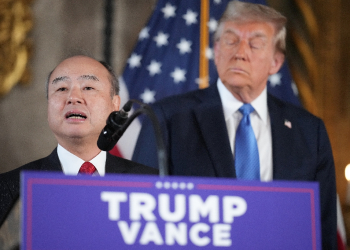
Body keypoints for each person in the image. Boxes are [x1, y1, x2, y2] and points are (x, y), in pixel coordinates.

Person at [132, 1, 336, 249]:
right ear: (216, 51)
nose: (240, 52)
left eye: (255, 44)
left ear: (276, 62)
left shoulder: (309, 131)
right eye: (230, 40)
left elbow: (322, 228)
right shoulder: (166, 118)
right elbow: (140, 213)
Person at [0, 55, 158, 224]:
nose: (73, 97)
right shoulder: (11, 188)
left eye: (88, 87)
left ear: (115, 105)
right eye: (61, 89)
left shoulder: (151, 184)